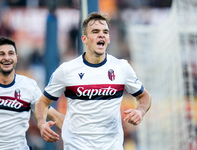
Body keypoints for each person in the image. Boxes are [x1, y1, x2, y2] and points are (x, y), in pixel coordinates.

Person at [34, 12, 152, 150]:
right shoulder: (67, 70)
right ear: (84, 38)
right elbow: (42, 102)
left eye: (105, 32)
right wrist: (41, 123)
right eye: (95, 32)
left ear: (108, 38)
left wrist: (140, 111)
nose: (101, 35)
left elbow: (145, 96)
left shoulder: (122, 67)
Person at [0, 36, 65, 150]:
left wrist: (83, 132)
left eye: (10, 53)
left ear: (16, 57)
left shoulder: (28, 85)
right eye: (2, 54)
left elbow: (53, 114)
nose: (7, 58)